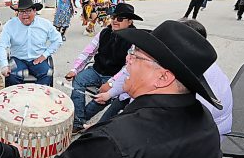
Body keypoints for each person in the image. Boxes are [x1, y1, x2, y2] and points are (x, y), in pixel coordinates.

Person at [23, 20, 223, 158]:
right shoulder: (205, 120)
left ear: (163, 77)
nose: (127, 60)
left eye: (135, 55)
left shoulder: (114, 140)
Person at [94, 19, 233, 142]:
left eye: (135, 55)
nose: (128, 59)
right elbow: (128, 77)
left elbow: (171, 134)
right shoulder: (187, 70)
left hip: (199, 142)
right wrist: (110, 93)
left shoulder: (193, 101)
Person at [65, 3, 143, 133]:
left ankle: (79, 120)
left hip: (116, 76)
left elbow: (128, 68)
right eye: (113, 17)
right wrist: (74, 69)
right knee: (78, 79)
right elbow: (88, 52)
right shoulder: (104, 32)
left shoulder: (134, 40)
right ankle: (79, 121)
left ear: (129, 21)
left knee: (105, 96)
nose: (114, 21)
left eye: (119, 19)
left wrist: (111, 83)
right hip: (96, 70)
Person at [0, 0, 62, 86]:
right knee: (12, 74)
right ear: (17, 12)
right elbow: (1, 46)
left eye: (28, 11)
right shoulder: (10, 25)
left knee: (48, 72)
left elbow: (58, 40)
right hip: (17, 59)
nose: (25, 15)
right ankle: (17, 98)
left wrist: (45, 55)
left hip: (38, 59)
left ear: (34, 11)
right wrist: (4, 65)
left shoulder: (45, 24)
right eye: (21, 11)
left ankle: (38, 97)